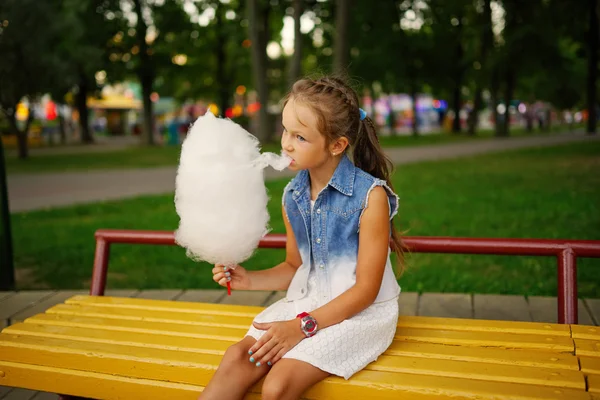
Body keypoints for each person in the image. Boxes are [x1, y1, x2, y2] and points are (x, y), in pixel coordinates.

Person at [199, 76, 404, 400]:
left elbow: (366, 290)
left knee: (279, 384)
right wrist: (246, 279)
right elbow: (295, 266)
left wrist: (301, 327)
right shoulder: (292, 195)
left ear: (337, 145)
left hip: (360, 314)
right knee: (237, 358)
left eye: (300, 137)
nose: (286, 144)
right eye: (285, 130)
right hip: (308, 303)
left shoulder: (370, 198)